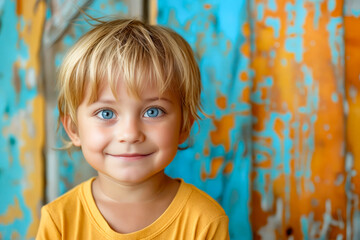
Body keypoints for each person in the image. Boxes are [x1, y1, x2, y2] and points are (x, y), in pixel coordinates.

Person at [36, 18, 229, 239]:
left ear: (184, 126)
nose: (130, 134)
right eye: (106, 113)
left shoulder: (204, 221)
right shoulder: (59, 220)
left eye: (153, 111)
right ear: (74, 129)